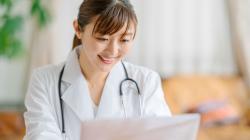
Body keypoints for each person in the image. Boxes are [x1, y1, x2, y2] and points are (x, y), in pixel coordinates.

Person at [23, 0, 172, 139]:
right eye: (103, 38)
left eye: (124, 40)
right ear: (78, 29)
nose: (113, 51)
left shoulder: (146, 81)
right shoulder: (44, 80)